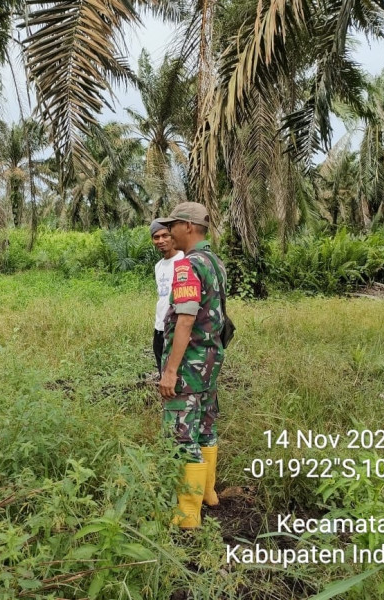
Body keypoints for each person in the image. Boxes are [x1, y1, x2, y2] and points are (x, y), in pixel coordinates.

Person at [156, 202, 227, 528]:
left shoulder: (188, 266)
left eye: (173, 225)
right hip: (211, 362)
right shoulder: (215, 262)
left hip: (189, 365)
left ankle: (187, 515)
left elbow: (185, 321)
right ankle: (208, 493)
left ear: (188, 226)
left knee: (182, 435)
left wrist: (170, 370)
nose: (168, 231)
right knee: (205, 427)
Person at [151, 221, 183, 375]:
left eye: (165, 235)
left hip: (177, 328)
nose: (161, 241)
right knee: (163, 373)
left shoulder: (185, 259)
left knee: (178, 375)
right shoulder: (158, 266)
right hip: (159, 328)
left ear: (172, 236)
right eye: (156, 237)